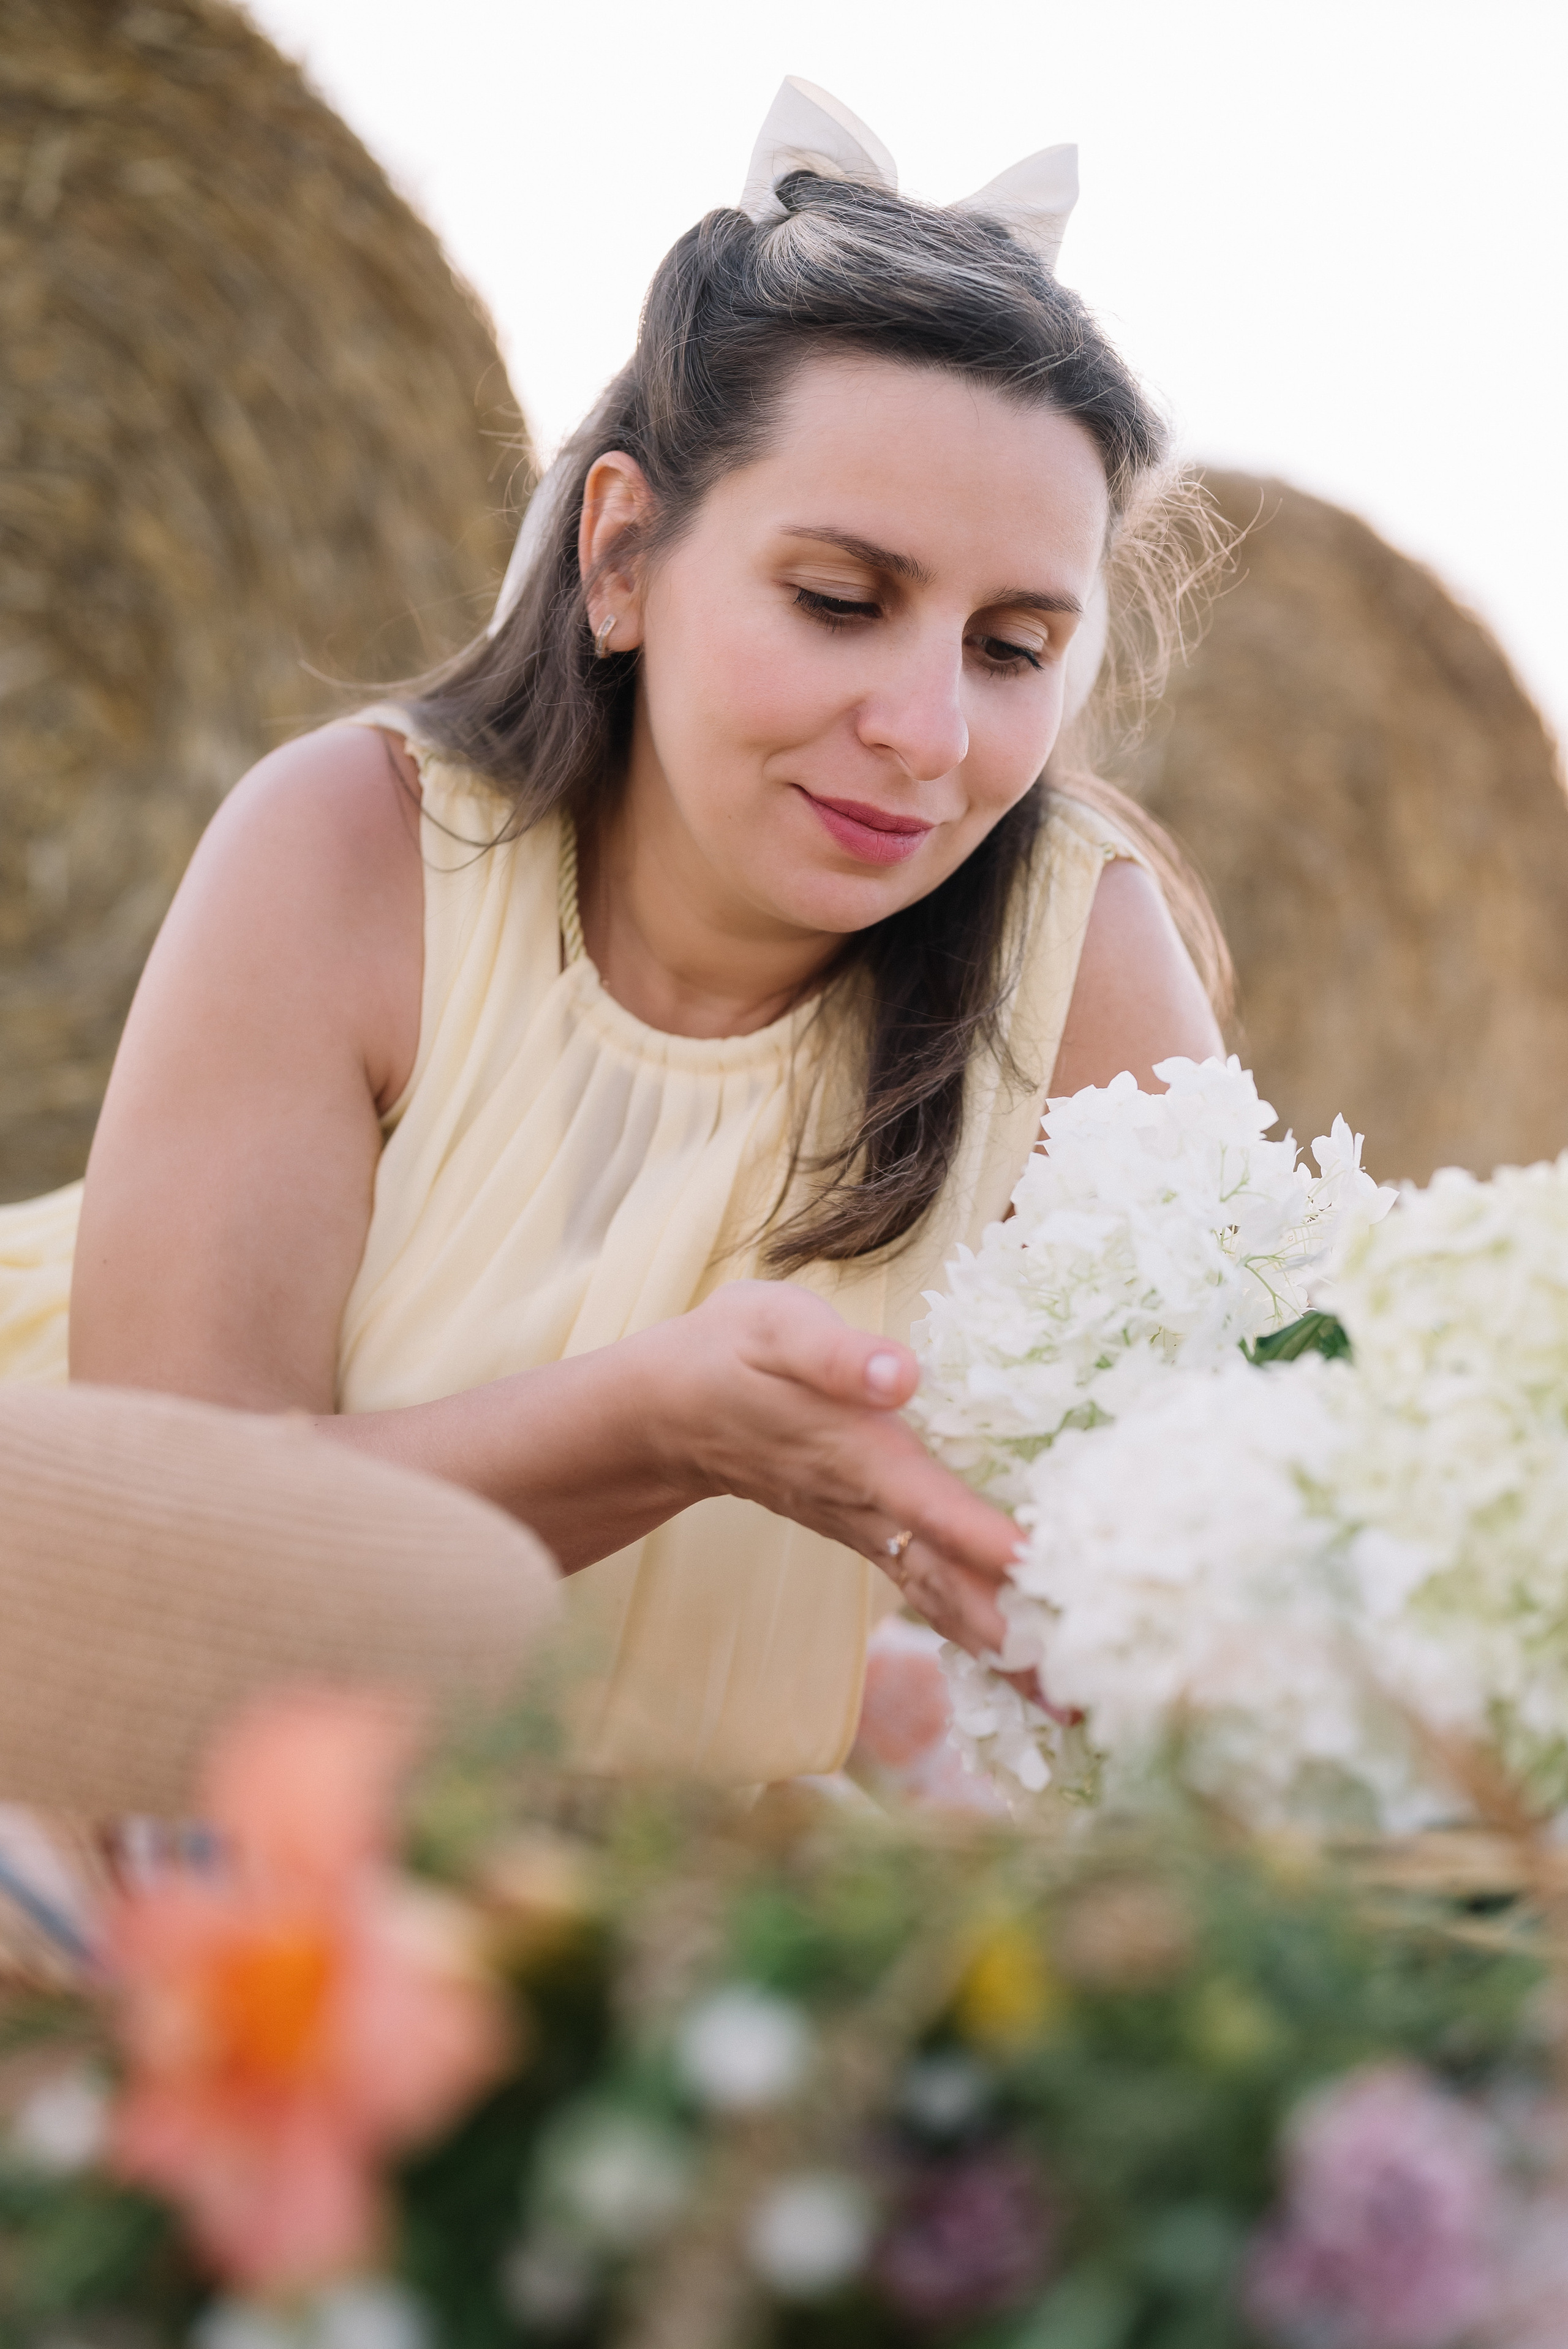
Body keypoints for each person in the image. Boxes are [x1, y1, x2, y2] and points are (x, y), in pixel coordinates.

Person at [1, 82, 1225, 1785]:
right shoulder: (352, 845)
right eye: (840, 602)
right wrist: (663, 1421)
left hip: (668, 1891)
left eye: (1012, 645)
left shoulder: (1079, 951)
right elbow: (165, 1588)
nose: (931, 729)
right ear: (625, 552)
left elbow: (1222, 1563)